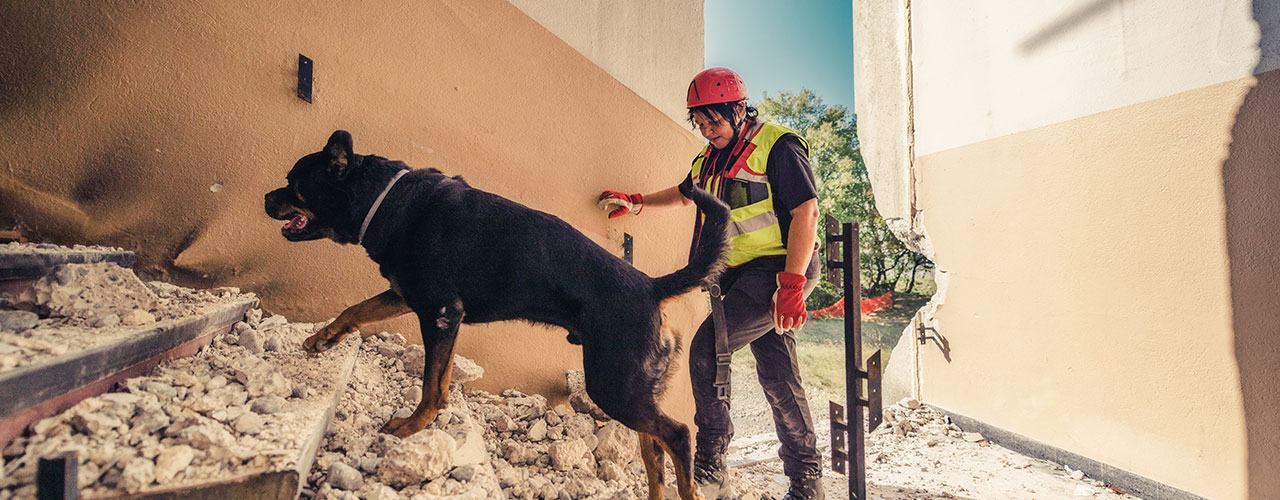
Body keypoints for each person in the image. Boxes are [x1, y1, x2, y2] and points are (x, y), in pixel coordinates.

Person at [599, 67, 824, 500]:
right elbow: (686, 192)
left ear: (739, 109)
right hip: (739, 278)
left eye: (714, 121)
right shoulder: (709, 159)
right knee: (778, 374)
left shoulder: (777, 145)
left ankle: (711, 466)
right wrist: (638, 202)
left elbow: (806, 212)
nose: (707, 131)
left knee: (706, 348)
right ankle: (807, 482)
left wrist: (792, 284)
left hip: (779, 270)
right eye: (700, 124)